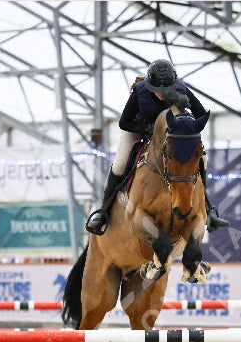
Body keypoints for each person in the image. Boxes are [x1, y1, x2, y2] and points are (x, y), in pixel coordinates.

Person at [85, 59, 229, 235]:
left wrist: (185, 125)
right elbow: (124, 122)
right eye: (157, 91)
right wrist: (149, 129)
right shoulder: (140, 92)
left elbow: (200, 114)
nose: (161, 94)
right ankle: (103, 213)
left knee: (203, 159)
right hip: (138, 130)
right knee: (120, 164)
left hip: (171, 135)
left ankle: (208, 210)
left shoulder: (182, 89)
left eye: (165, 91)